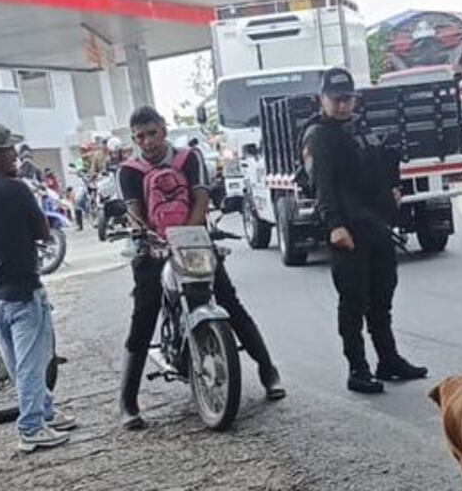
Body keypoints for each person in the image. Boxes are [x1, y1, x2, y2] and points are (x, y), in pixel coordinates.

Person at [118, 106, 284, 431]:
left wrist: (187, 236)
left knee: (228, 301)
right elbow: (134, 212)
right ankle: (127, 401)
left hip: (193, 242)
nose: (148, 142)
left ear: (164, 129)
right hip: (151, 247)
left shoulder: (188, 159)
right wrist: (153, 238)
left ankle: (268, 371)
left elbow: (201, 199)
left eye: (152, 133)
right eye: (140, 137)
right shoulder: (129, 170)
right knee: (144, 315)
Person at [302, 68, 427, 394]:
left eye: (348, 99)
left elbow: (382, 163)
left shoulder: (357, 129)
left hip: (376, 226)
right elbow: (322, 187)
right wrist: (335, 226)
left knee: (382, 296)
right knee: (353, 302)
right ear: (322, 99)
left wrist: (393, 189)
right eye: (336, 99)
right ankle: (357, 368)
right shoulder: (319, 136)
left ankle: (388, 359)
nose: (343, 105)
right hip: (349, 230)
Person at [0, 123, 76, 453]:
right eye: (9, 150)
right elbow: (43, 232)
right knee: (32, 363)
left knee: (16, 362)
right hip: (22, 290)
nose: (15, 155)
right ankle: (31, 427)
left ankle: (45, 410)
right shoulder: (14, 188)